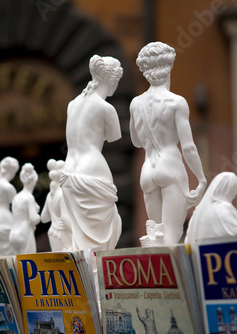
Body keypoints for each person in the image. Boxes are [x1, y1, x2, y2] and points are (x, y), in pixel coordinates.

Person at [130, 41, 207, 244]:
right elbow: (188, 147)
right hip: (170, 166)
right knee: (172, 238)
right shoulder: (176, 102)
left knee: (155, 239)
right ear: (169, 67)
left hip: (148, 171)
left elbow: (136, 141)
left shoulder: (136, 103)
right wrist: (201, 179)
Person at [61, 54, 123, 251]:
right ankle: (97, 277)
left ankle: (85, 278)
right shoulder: (106, 108)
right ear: (112, 80)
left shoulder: (72, 105)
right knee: (102, 236)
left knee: (78, 240)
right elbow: (114, 137)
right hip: (92, 170)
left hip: (68, 171)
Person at [41, 159, 72, 252]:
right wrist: (77, 231)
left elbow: (44, 218)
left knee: (58, 263)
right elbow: (64, 218)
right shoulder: (63, 194)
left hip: (52, 233)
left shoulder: (49, 195)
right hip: (63, 234)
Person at [9, 163, 41, 254]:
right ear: (33, 180)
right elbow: (34, 219)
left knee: (17, 265)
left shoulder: (16, 197)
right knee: (28, 263)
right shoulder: (29, 197)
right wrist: (39, 216)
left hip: (13, 233)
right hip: (24, 233)